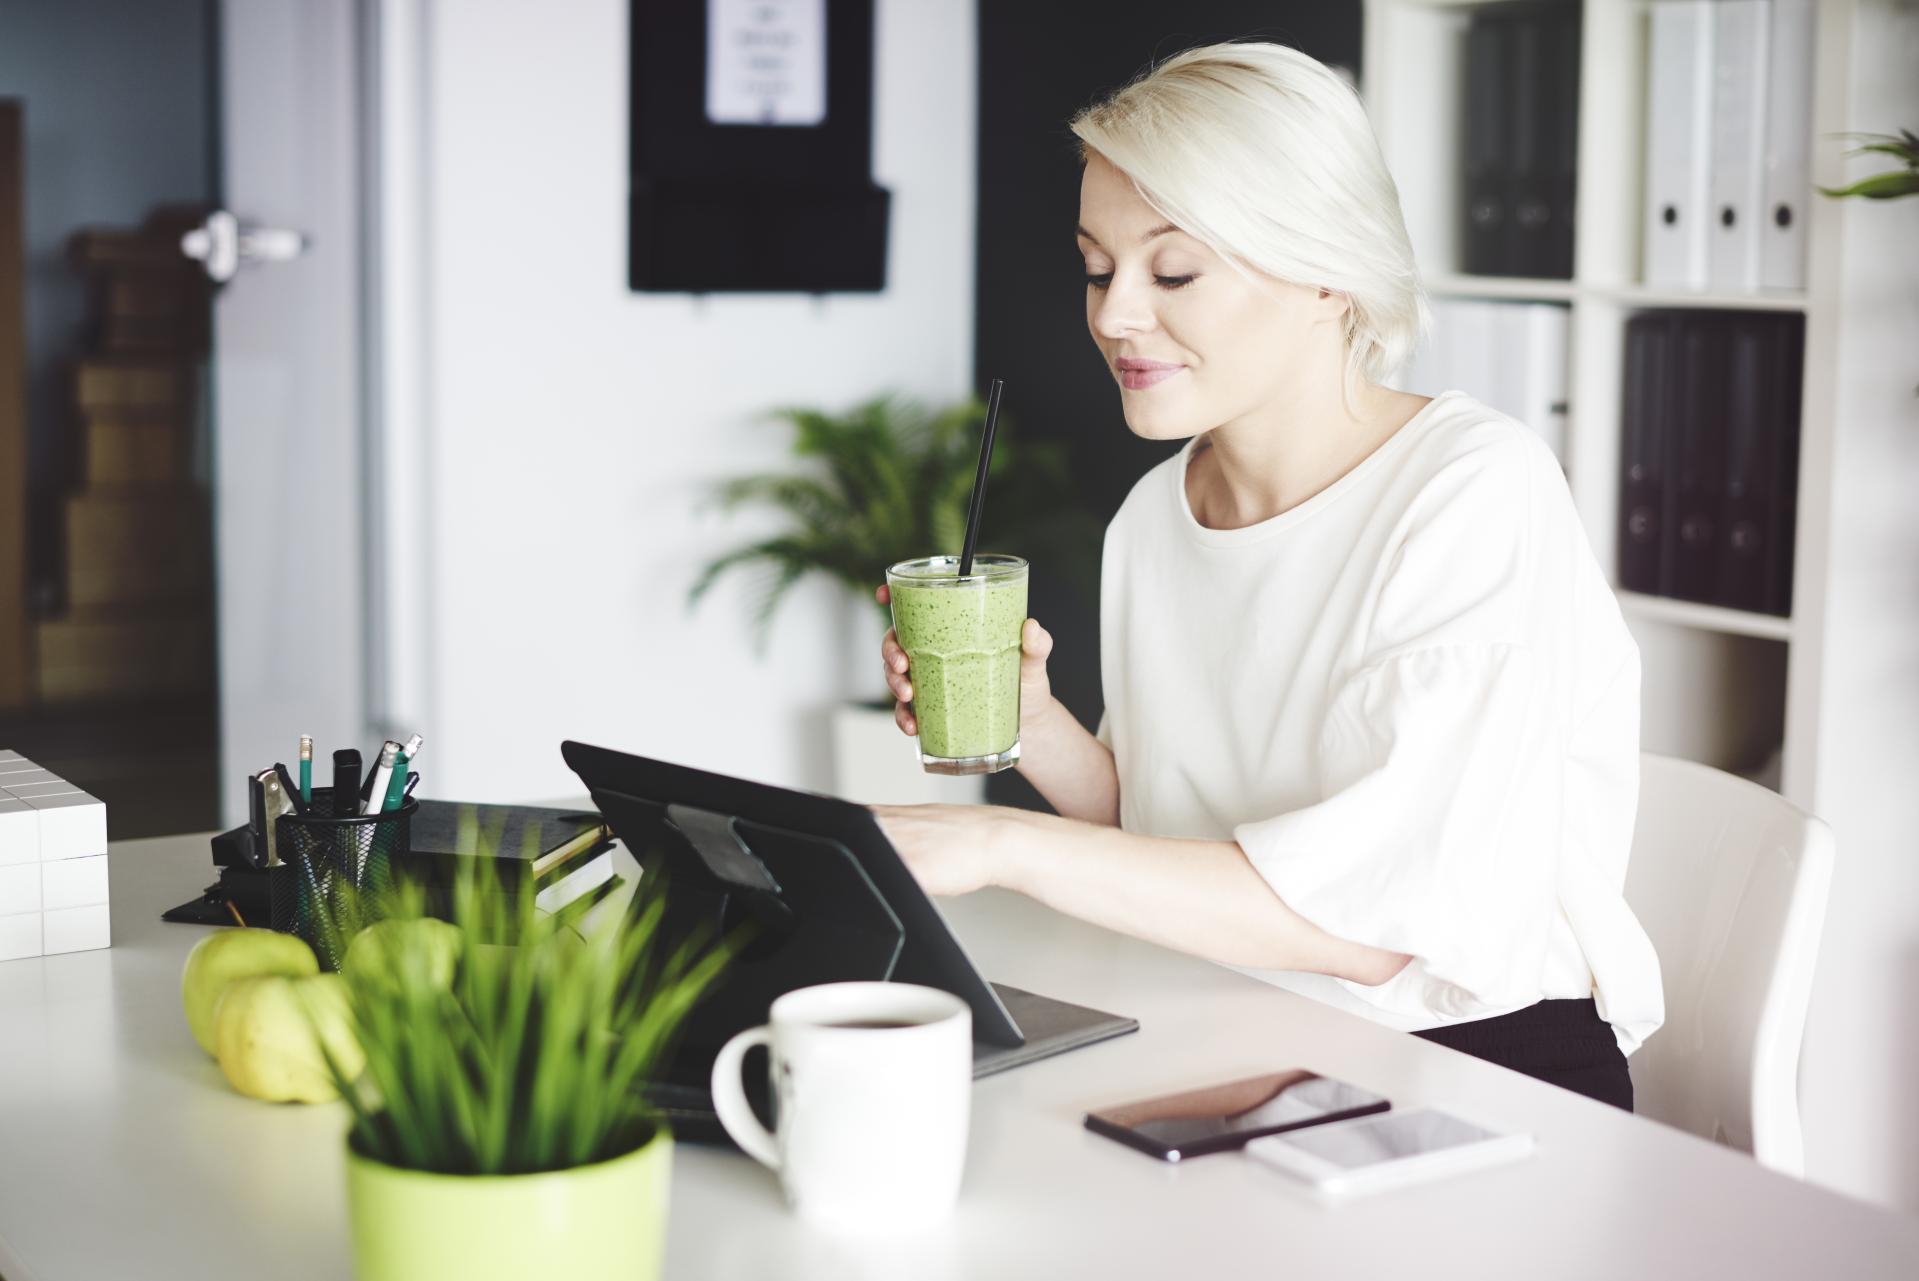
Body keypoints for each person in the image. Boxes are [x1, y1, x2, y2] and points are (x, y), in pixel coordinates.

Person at [872, 42, 1663, 1110]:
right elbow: (1172, 835)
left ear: (1327, 269)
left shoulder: (1469, 493)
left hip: (1473, 1070)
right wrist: (1035, 723)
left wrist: (1002, 842)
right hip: (1244, 1027)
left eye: (1173, 271)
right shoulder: (1157, 513)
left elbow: (1371, 926)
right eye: (1097, 269)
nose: (1113, 316)